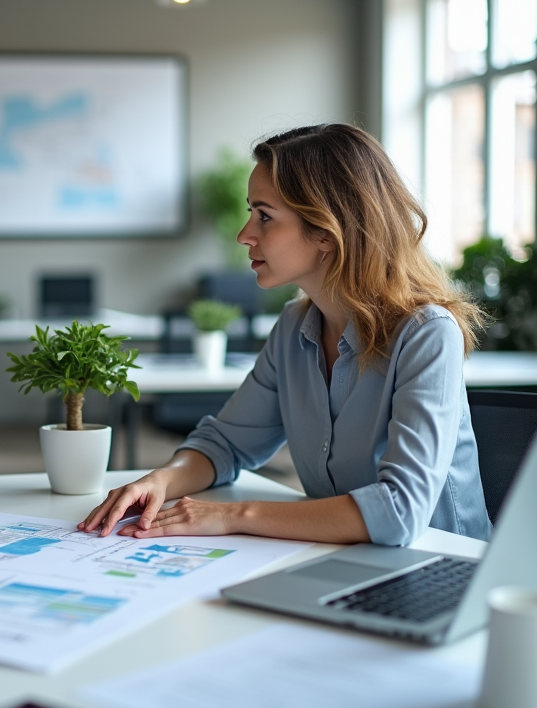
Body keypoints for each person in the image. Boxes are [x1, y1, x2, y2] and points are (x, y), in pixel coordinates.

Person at [80, 123, 491, 547]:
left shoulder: (427, 335)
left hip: (444, 573)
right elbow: (225, 444)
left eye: (265, 216)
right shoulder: (294, 326)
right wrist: (162, 481)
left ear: (326, 233)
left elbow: (399, 510)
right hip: (344, 561)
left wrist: (231, 516)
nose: (245, 235)